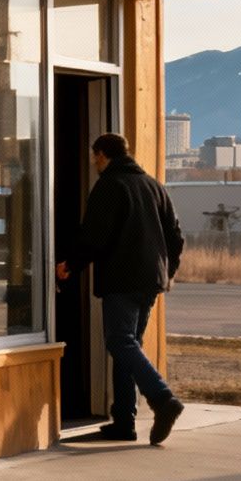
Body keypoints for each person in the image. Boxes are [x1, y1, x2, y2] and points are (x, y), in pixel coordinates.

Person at [56, 132, 188, 445]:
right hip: (151, 281)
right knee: (129, 346)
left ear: (102, 154)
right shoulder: (154, 186)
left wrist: (70, 265)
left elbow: (94, 236)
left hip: (122, 279)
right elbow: (176, 237)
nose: (93, 163)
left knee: (120, 342)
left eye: (94, 157)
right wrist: (166, 273)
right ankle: (124, 422)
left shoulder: (110, 185)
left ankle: (162, 398)